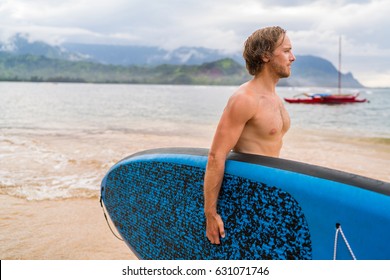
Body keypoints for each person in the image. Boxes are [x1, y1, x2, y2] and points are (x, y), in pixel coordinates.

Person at [203, 26, 295, 245]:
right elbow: (216, 156)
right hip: (248, 196)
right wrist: (210, 214)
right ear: (265, 55)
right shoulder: (245, 99)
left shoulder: (275, 98)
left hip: (270, 193)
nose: (293, 57)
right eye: (286, 51)